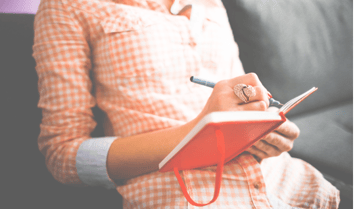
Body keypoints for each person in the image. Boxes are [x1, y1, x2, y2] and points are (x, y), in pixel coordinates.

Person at [33, 0, 339, 208]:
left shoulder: (210, 4)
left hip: (289, 182)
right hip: (187, 195)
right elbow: (62, 155)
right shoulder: (67, 6)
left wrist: (263, 125)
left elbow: (240, 94)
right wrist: (197, 133)